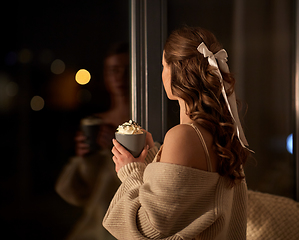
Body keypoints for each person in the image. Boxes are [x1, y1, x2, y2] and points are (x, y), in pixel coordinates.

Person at [103, 26, 252, 240]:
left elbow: (149, 228)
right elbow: (192, 202)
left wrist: (130, 172)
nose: (161, 73)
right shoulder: (221, 132)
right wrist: (154, 155)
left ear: (178, 70)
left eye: (163, 65)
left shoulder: (184, 135)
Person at [56, 42, 130, 240]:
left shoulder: (145, 126)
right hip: (95, 227)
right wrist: (83, 158)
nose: (120, 77)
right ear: (105, 76)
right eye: (113, 70)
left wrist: (113, 149)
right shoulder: (96, 124)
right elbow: (75, 193)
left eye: (127, 70)